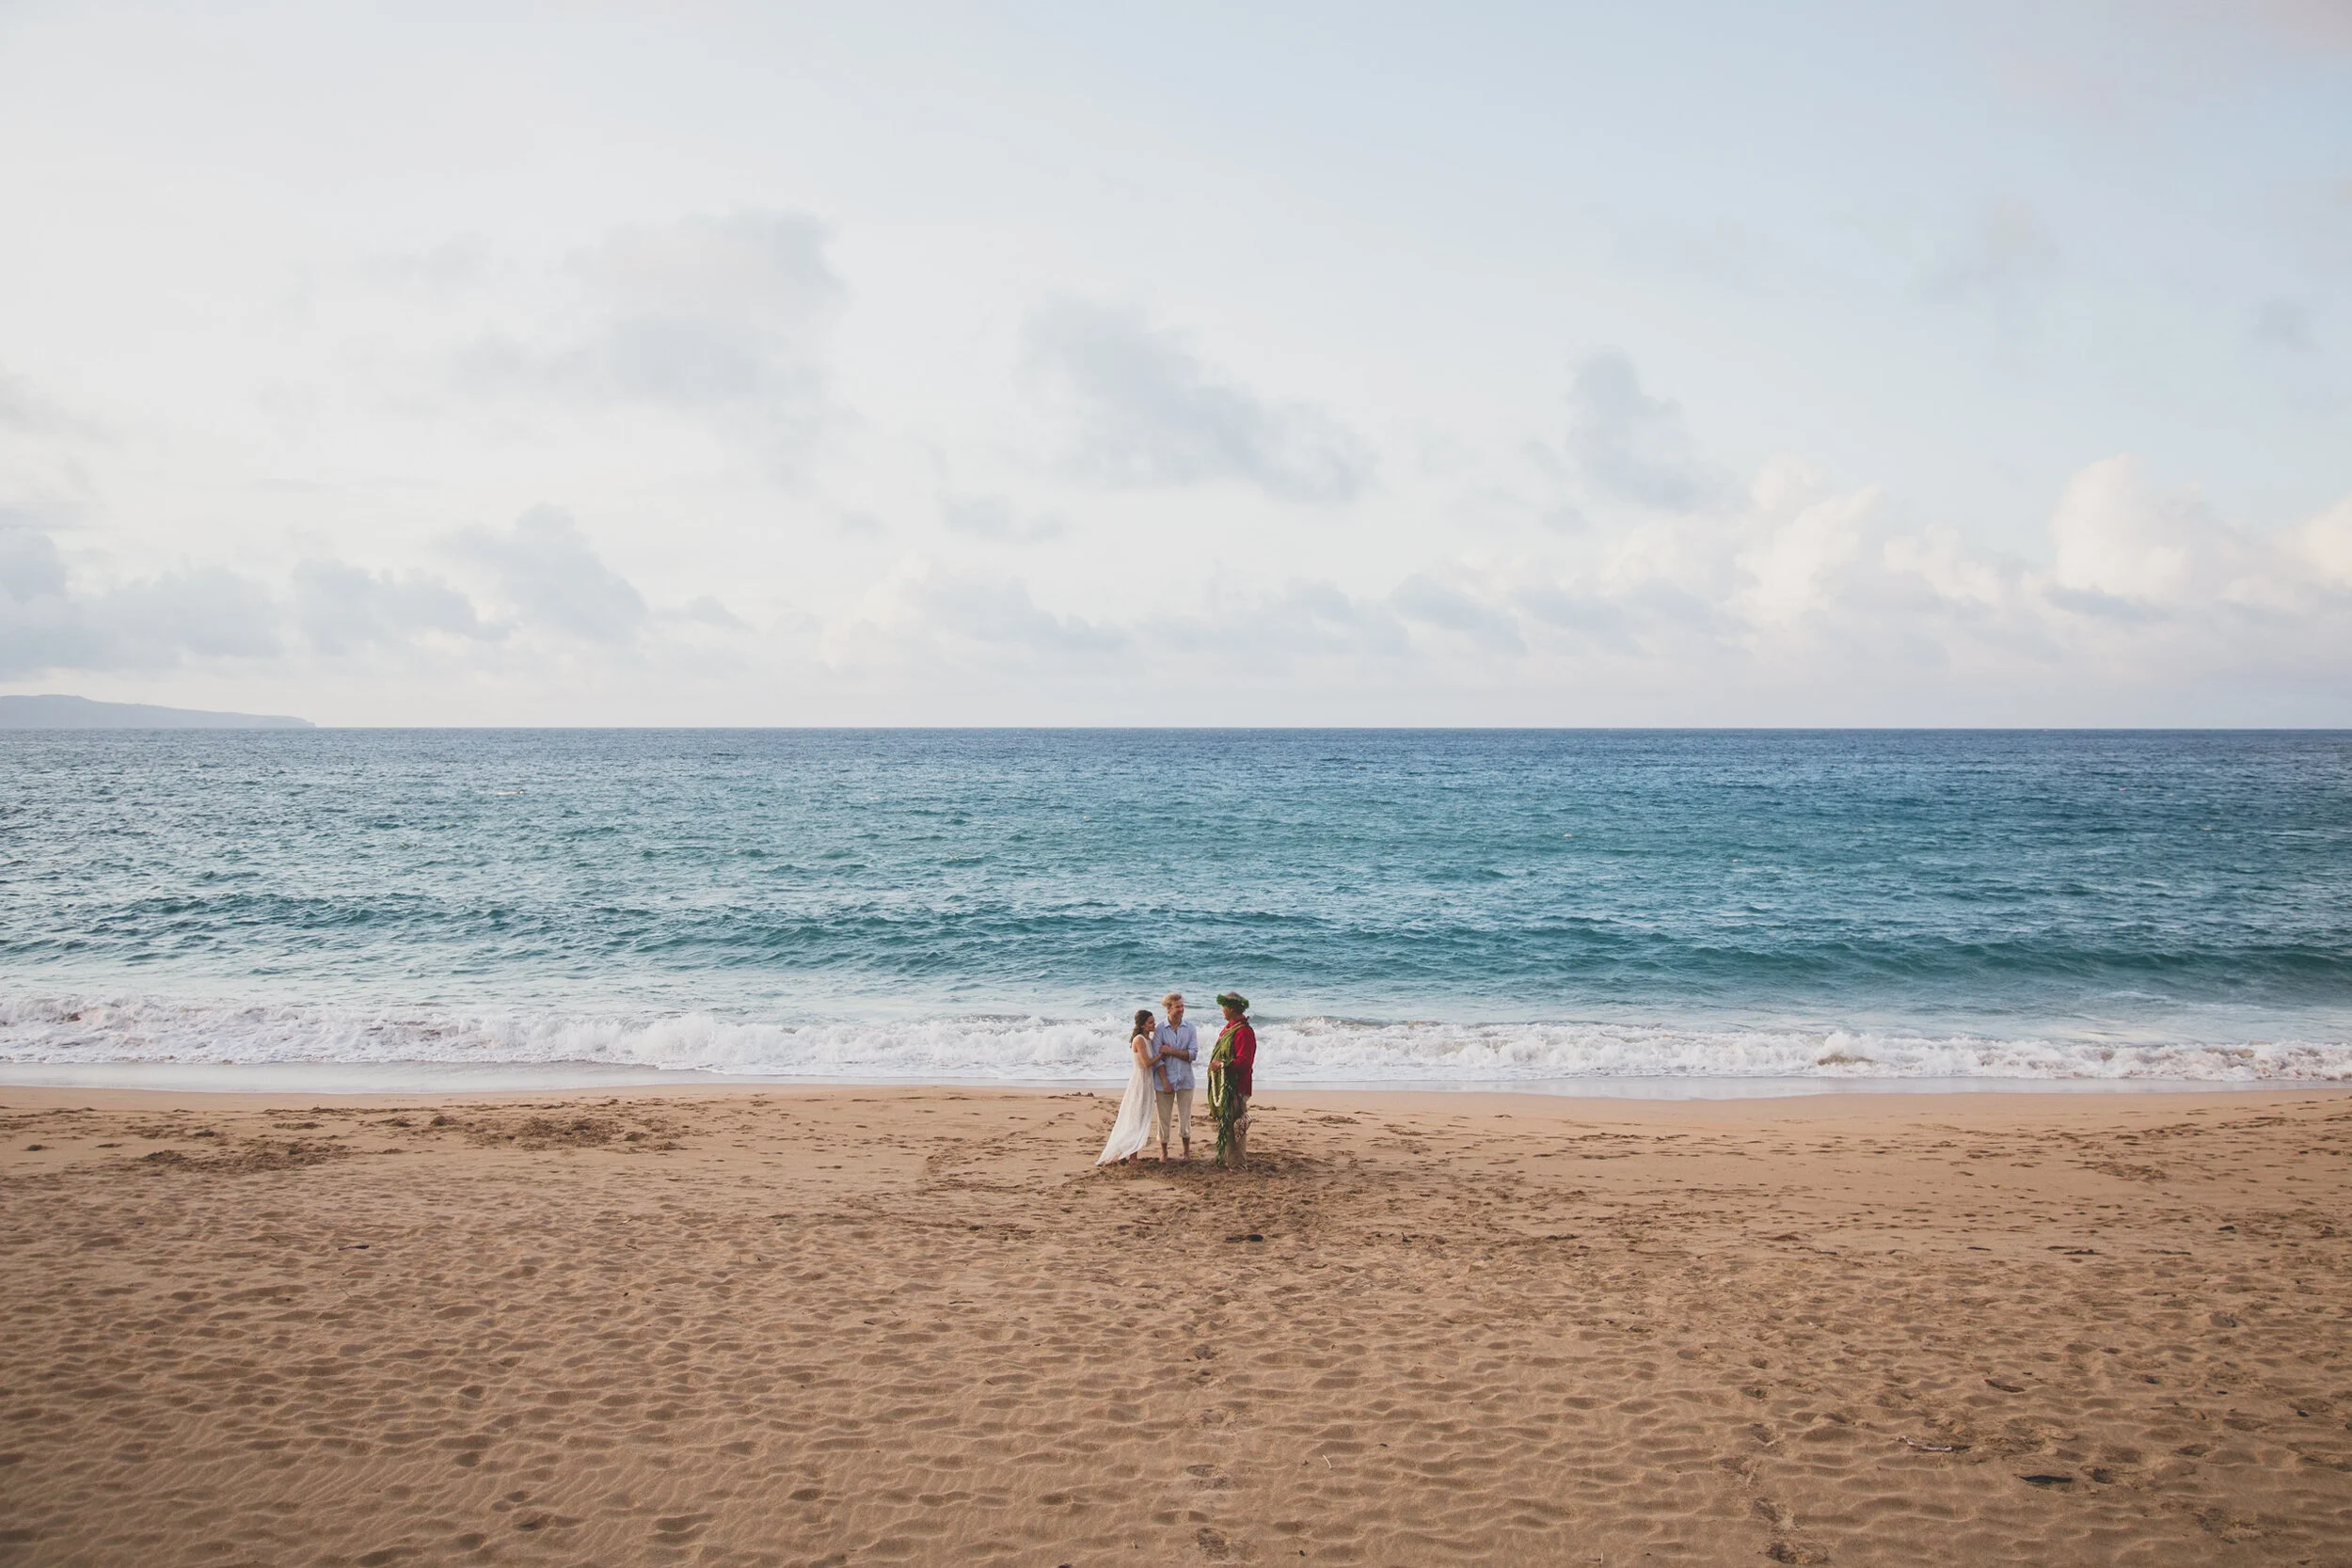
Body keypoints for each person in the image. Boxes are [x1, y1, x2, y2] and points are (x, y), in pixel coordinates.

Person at [1093, 1009, 1158, 1166]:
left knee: (1139, 1117)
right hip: (1140, 1081)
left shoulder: (1148, 1039)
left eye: (1153, 1021)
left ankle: (1126, 1152)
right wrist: (1162, 1055)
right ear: (1142, 1025)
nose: (1153, 1024)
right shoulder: (1139, 1040)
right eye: (1150, 1022)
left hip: (1147, 1081)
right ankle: (1132, 1156)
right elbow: (1146, 1063)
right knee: (1135, 1118)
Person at [1205, 990, 1257, 1169]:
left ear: (1233, 1009)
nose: (1222, 1010)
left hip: (1236, 1086)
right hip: (1224, 1085)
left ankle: (1237, 1164)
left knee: (1236, 1125)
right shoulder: (1228, 1028)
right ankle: (1229, 1159)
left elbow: (1244, 1062)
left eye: (1224, 1007)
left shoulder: (1244, 1032)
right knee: (1225, 1124)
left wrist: (1222, 1065)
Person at [1150, 991, 1199, 1162]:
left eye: (1182, 1006)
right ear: (1169, 1008)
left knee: (1186, 1116)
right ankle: (1163, 1151)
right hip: (1165, 1079)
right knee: (1164, 1116)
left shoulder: (1190, 1028)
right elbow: (1157, 1058)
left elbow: (1192, 1054)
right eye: (1178, 1007)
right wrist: (1165, 1081)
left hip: (1185, 1077)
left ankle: (1186, 1152)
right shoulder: (1159, 1030)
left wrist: (1171, 1051)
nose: (1181, 1010)